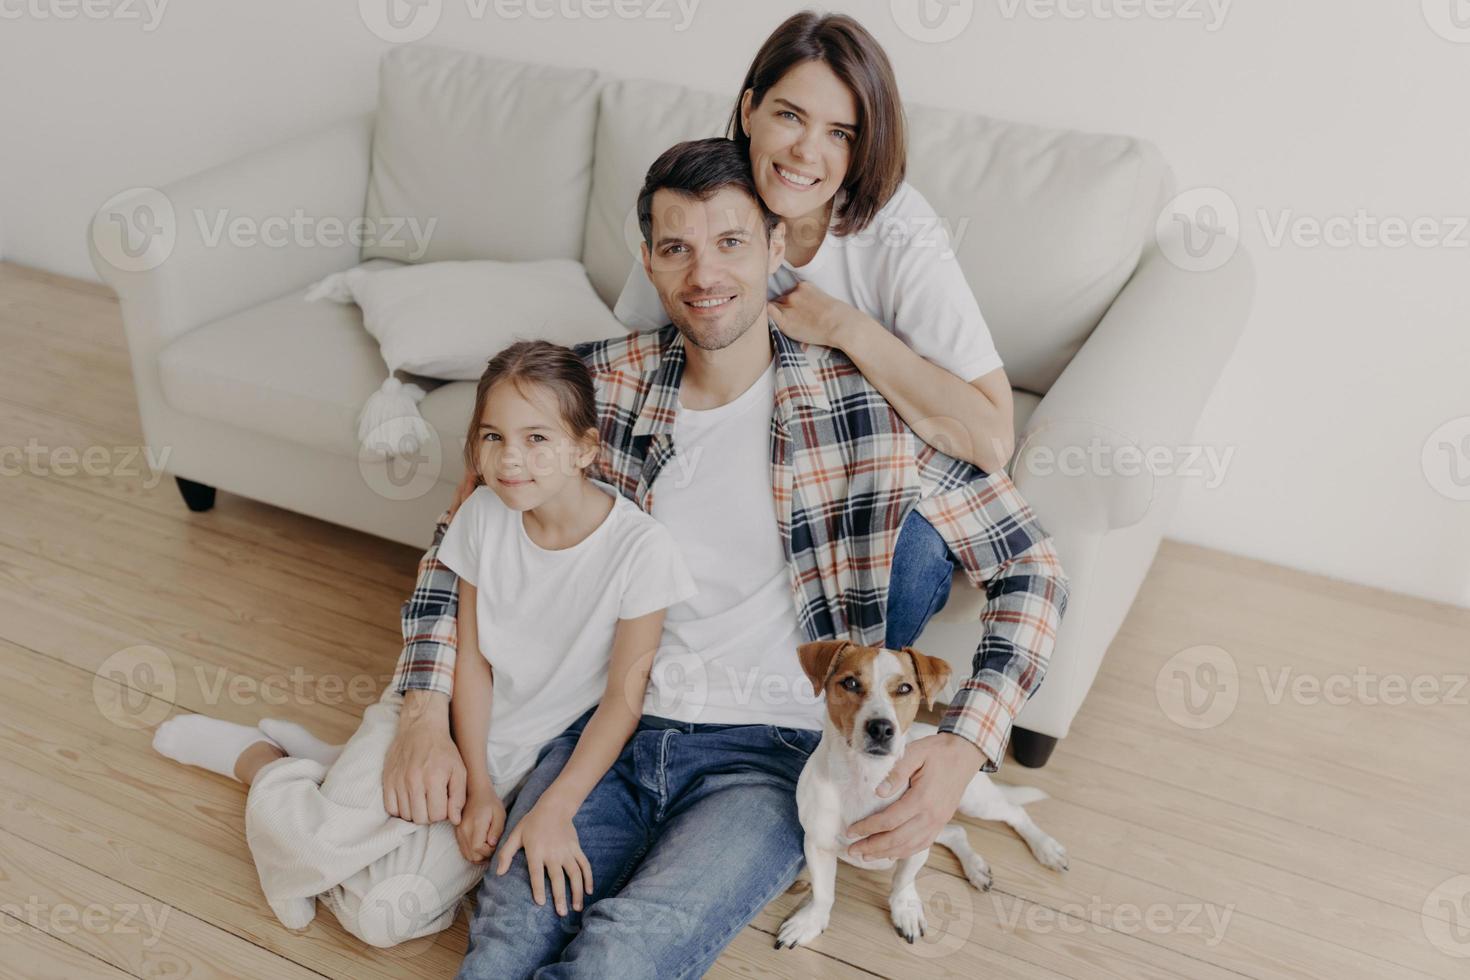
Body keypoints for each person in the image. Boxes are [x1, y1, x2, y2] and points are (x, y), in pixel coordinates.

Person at [387, 136, 1068, 977]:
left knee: (617, 961)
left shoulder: (862, 410)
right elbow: (458, 546)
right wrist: (423, 713)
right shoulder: (602, 386)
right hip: (607, 728)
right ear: (650, 261)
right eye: (677, 248)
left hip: (767, 758)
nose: (704, 274)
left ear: (778, 250)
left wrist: (966, 743)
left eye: (732, 243)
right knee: (501, 946)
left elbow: (1031, 568)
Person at [151, 339, 695, 946]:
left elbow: (623, 702)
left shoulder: (642, 550)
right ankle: (262, 763)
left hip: (522, 763)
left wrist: (513, 794)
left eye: (537, 438)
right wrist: (474, 781)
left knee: (382, 916)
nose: (511, 459)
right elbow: (473, 657)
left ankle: (333, 779)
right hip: (453, 718)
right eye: (493, 437)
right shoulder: (483, 515)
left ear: (585, 448)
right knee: (315, 843)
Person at [615, 11, 1017, 476]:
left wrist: (846, 328)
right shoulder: (702, 196)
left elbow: (992, 439)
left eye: (839, 134)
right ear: (749, 111)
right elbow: (644, 355)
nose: (806, 151)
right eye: (790, 116)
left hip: (881, 465)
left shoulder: (900, 227)